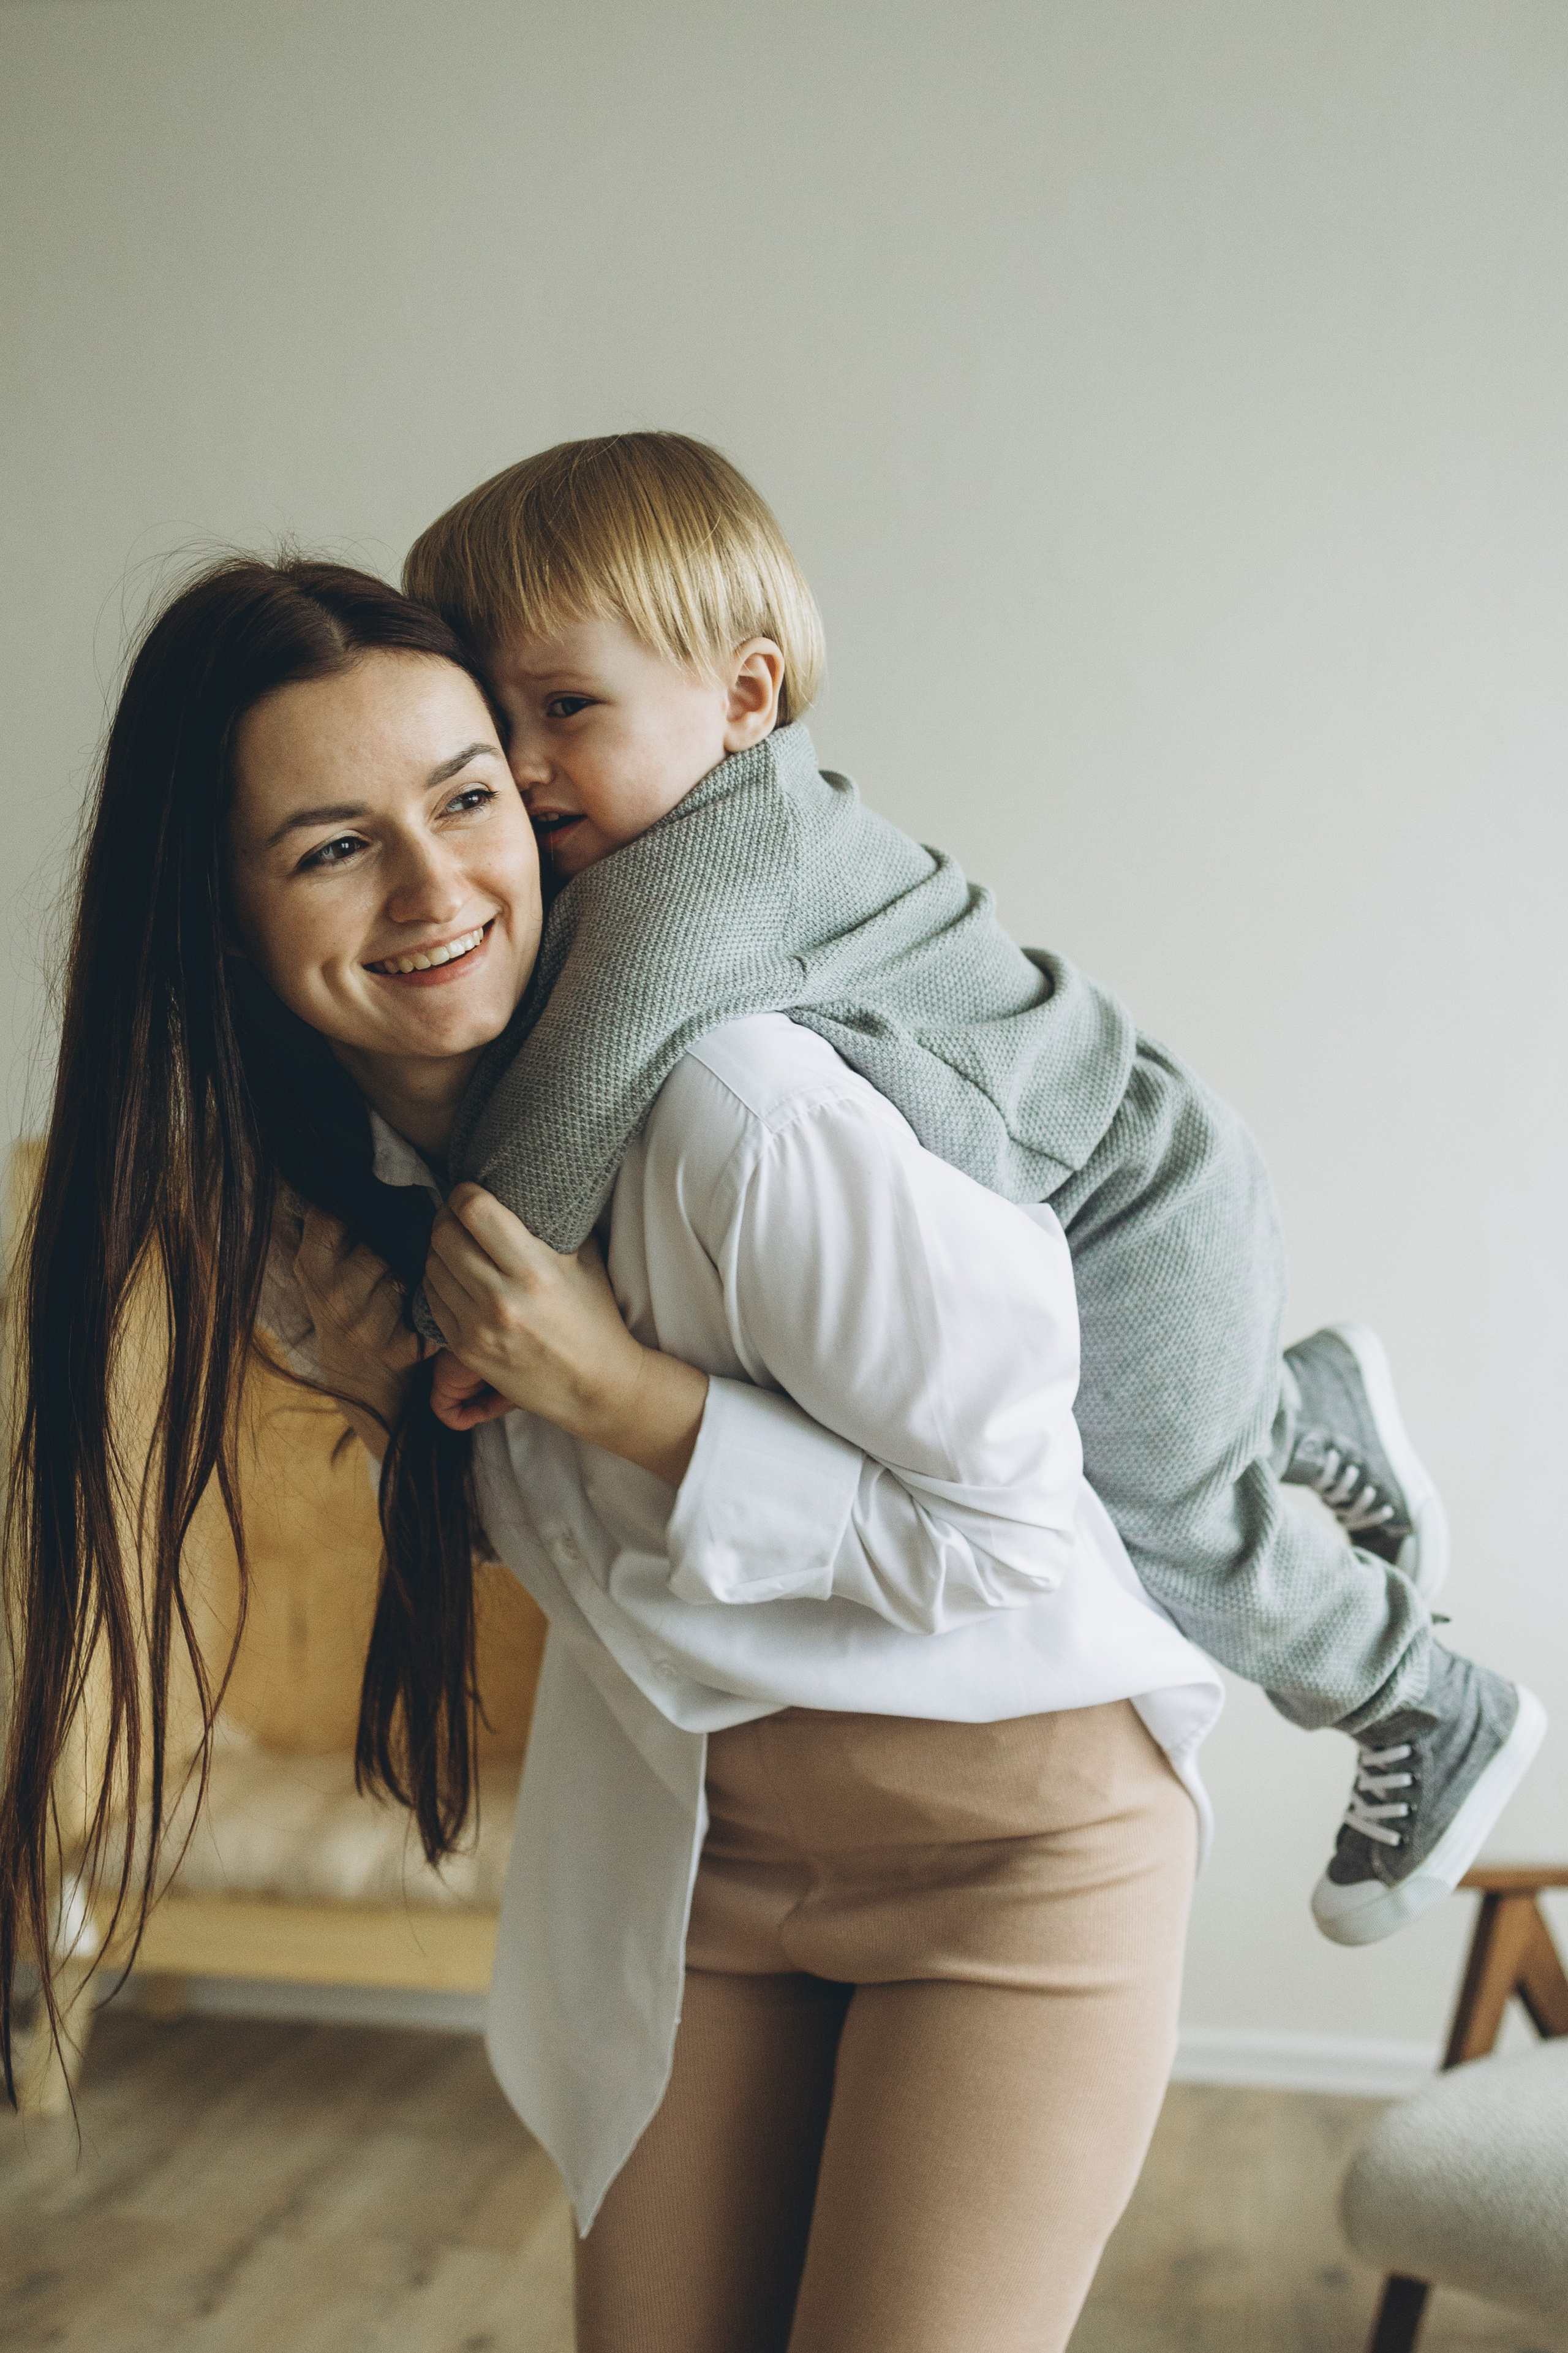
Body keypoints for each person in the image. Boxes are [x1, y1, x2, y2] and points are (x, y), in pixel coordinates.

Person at [2, 556, 1224, 2353]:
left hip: (1013, 1860)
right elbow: (612, 1555)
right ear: (223, 912)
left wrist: (618, 1392)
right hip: (705, 1862)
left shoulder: (740, 1118)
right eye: (336, 846)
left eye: (469, 798)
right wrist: (390, 1405)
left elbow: (1017, 1535)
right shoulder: (318, 1223)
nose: (438, 889)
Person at [401, 430, 1545, 1949]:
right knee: (1154, 1423)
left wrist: (466, 1307)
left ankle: (1421, 1697)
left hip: (1128, 1215)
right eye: (498, 720)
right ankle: (1296, 1409)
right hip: (1123, 1180)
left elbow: (560, 1114)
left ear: (743, 697)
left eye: (566, 708)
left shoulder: (698, 876)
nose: (524, 764)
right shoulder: (714, 830)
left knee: (1180, 1532)